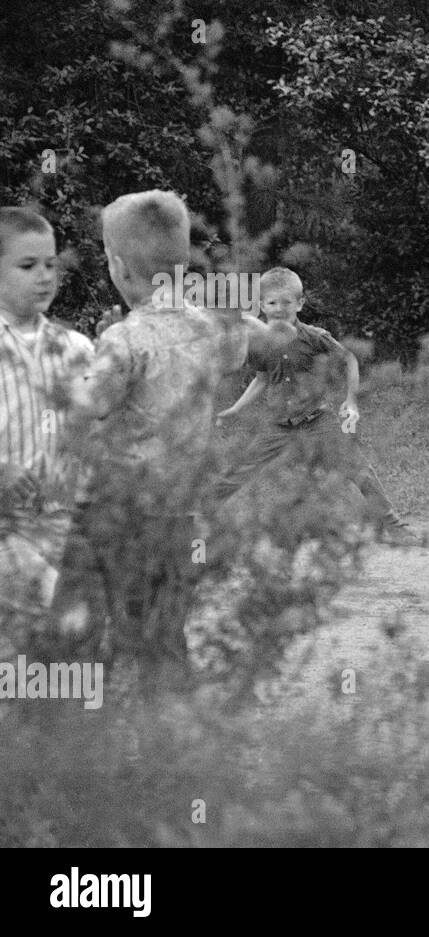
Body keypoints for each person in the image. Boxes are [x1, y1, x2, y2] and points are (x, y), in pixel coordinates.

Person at [56, 190, 240, 690]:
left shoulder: (126, 339)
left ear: (118, 266)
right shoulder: (204, 328)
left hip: (115, 514)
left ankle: (75, 728)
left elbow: (85, 405)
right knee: (163, 633)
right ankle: (169, 738)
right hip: (177, 514)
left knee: (82, 629)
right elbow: (235, 356)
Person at [210, 267, 418, 545]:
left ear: (300, 303)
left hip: (316, 421)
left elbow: (350, 360)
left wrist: (351, 400)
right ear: (261, 305)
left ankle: (396, 528)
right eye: (272, 303)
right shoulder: (260, 342)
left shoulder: (314, 337)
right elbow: (261, 378)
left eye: (286, 302)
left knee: (358, 469)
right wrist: (236, 409)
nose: (279, 309)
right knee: (239, 470)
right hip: (278, 426)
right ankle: (195, 520)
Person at [0, 208, 94, 633]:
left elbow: (95, 427)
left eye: (50, 264)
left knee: (62, 632)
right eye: (27, 265)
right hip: (6, 524)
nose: (44, 276)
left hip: (61, 520)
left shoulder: (75, 347)